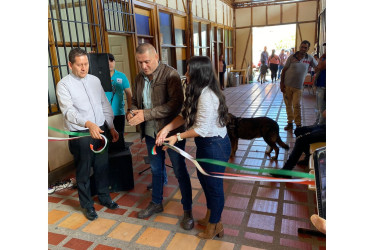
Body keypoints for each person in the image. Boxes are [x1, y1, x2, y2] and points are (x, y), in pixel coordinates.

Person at [156, 56, 231, 240]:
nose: (186, 73)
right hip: (206, 145)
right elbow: (184, 114)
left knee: (214, 187)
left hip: (215, 146)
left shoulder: (207, 95)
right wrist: (167, 128)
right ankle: (211, 218)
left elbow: (201, 129)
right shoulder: (197, 91)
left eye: (189, 70)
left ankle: (215, 225)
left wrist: (177, 136)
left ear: (199, 73)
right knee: (205, 181)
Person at [127, 43, 194, 230]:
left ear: (156, 56)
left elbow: (175, 105)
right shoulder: (139, 77)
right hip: (150, 133)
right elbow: (134, 101)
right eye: (140, 62)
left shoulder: (170, 75)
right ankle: (156, 202)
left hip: (171, 134)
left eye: (147, 62)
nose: (143, 67)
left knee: (180, 172)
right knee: (156, 171)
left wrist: (146, 114)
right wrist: (132, 112)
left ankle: (187, 210)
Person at [56, 48, 120, 221]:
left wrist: (111, 126)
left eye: (86, 64)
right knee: (83, 171)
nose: (84, 68)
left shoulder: (95, 80)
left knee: (102, 166)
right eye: (80, 65)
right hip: (81, 133)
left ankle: (104, 197)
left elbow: (104, 104)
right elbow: (68, 112)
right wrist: (87, 123)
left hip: (100, 129)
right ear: (70, 65)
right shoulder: (63, 85)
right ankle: (87, 205)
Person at [280, 40, 318, 130]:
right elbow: (284, 70)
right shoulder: (292, 57)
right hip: (287, 85)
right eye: (302, 47)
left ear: (308, 49)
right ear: (299, 47)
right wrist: (282, 84)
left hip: (298, 87)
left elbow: (317, 67)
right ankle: (290, 123)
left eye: (305, 47)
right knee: (288, 105)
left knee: (296, 105)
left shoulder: (310, 58)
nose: (303, 49)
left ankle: (298, 125)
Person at [105, 53, 132, 150]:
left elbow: (129, 94)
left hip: (119, 113)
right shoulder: (100, 77)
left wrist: (129, 109)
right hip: (104, 114)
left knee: (119, 137)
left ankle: (120, 161)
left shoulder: (121, 76)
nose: (110, 63)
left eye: (111, 61)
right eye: (107, 61)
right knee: (106, 139)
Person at [314, 43, 326, 125]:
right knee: (318, 106)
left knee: (322, 107)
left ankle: (321, 124)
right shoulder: (324, 58)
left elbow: (320, 67)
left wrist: (321, 58)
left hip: (324, 86)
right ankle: (318, 122)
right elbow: (316, 69)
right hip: (320, 85)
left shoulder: (323, 59)